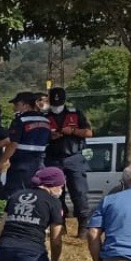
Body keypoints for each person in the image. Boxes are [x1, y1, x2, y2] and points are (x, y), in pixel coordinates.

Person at [44, 87, 94, 237]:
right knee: (55, 194)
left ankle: (84, 227)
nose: (56, 105)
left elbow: (89, 132)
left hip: (74, 157)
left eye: (59, 102)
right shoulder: (44, 116)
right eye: (54, 102)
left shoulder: (75, 113)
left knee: (79, 191)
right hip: (53, 158)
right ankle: (60, 225)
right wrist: (50, 136)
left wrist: (72, 131)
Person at [0, 92, 51, 200]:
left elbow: (13, 144)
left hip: (21, 164)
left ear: (25, 105)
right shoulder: (45, 120)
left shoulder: (21, 120)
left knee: (15, 194)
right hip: (39, 162)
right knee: (35, 194)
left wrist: (3, 161)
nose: (14, 108)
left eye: (16, 105)